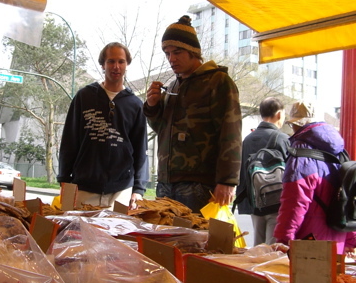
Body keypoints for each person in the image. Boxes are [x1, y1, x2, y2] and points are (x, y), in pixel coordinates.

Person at [144, 15, 242, 213]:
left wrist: (227, 181)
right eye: (167, 53)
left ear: (193, 52)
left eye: (177, 52)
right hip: (165, 183)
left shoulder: (218, 81)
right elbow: (163, 131)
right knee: (166, 242)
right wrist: (153, 106)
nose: (172, 59)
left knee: (197, 243)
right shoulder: (172, 86)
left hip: (199, 186)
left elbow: (231, 133)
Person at [57, 42, 148, 210]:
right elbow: (69, 140)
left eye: (121, 61)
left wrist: (139, 188)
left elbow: (140, 149)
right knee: (79, 234)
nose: (116, 66)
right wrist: (64, 177)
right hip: (84, 187)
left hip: (121, 191)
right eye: (111, 61)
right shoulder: (84, 97)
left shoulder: (135, 104)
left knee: (116, 236)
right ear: (103, 65)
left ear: (127, 65)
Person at [273, 101, 356, 254]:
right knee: (331, 277)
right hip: (338, 238)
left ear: (296, 124)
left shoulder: (301, 152)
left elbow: (295, 201)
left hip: (309, 242)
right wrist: (351, 239)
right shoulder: (340, 150)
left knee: (304, 278)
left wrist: (284, 239)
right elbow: (349, 198)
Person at [236, 97, 290, 246]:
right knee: (273, 249)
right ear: (279, 114)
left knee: (258, 247)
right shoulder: (283, 139)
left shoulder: (248, 139)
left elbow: (242, 172)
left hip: (255, 202)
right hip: (277, 202)